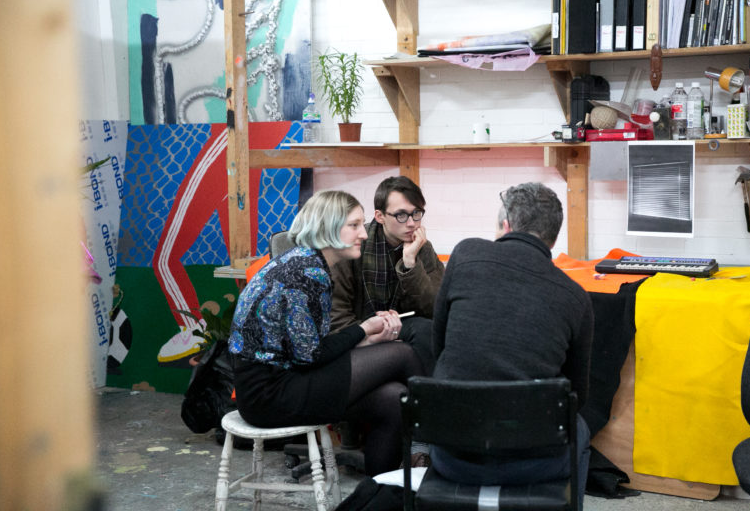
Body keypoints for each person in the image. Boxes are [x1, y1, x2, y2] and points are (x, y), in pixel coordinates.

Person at [229, 190, 423, 476]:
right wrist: (363, 329)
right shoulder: (308, 271)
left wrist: (366, 337)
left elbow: (308, 349)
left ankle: (379, 494)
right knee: (402, 352)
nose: (364, 234)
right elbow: (311, 357)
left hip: (282, 381)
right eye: (354, 225)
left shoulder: (304, 261)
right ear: (328, 227)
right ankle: (441, 446)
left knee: (394, 399)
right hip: (270, 395)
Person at [431, 182, 594, 502]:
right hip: (535, 462)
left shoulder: (465, 254)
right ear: (553, 237)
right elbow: (577, 396)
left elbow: (440, 347)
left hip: (453, 456)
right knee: (581, 428)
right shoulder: (576, 297)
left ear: (506, 226)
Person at [330, 176, 445, 376]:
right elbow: (336, 317)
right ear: (380, 216)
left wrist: (410, 264)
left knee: (428, 330)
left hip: (402, 328)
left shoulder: (421, 247)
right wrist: (370, 332)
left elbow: (437, 309)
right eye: (401, 215)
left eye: (416, 213)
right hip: (358, 332)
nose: (411, 223)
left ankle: (434, 394)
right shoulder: (354, 246)